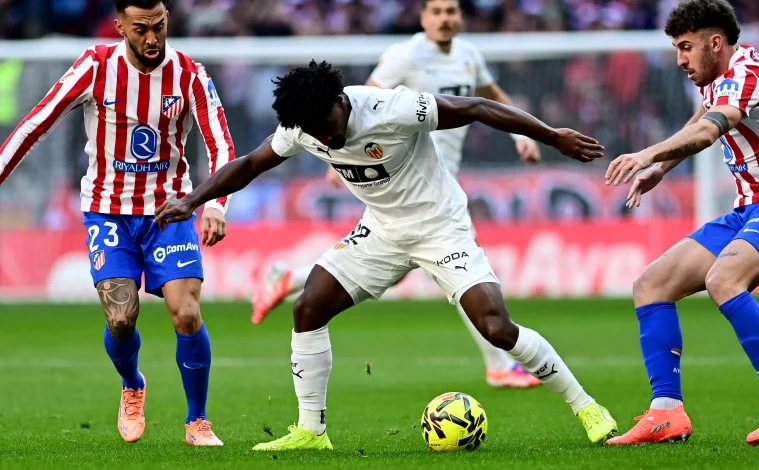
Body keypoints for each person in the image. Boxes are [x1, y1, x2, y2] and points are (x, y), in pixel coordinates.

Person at [155, 60, 618, 450]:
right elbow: (250, 165)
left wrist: (552, 135)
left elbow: (476, 107)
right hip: (382, 230)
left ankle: (587, 407)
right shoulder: (302, 126)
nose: (327, 140)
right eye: (315, 134)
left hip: (441, 226)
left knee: (496, 327)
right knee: (308, 306)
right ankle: (312, 431)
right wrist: (192, 200)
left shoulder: (391, 108)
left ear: (340, 102)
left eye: (329, 127)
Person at [251, 0, 543, 389]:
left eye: (452, 11)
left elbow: (489, 95)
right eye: (437, 11)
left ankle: (290, 277)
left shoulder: (469, 55)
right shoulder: (403, 56)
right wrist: (335, 156)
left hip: (437, 179)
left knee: (434, 271)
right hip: (408, 179)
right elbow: (362, 99)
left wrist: (520, 134)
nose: (445, 18)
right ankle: (499, 364)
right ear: (422, 17)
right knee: (458, 274)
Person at [0, 0, 234, 446]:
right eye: (141, 29)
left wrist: (216, 205)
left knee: (186, 314)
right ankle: (132, 384)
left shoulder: (191, 75)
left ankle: (197, 420)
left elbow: (221, 144)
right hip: (109, 211)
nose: (152, 39)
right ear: (119, 26)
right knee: (122, 318)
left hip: (170, 210)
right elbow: (35, 124)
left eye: (159, 27)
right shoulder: (94, 67)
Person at [603, 0, 759, 446]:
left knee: (724, 279)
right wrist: (663, 169)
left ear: (714, 42)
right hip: (751, 207)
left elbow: (707, 132)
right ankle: (667, 413)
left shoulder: (745, 76)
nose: (680, 59)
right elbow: (701, 118)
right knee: (652, 284)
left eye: (685, 47)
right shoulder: (720, 76)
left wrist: (647, 154)